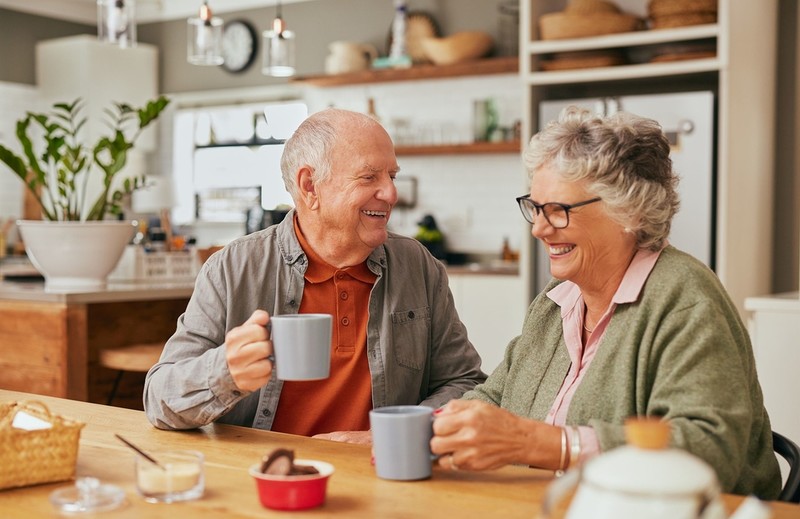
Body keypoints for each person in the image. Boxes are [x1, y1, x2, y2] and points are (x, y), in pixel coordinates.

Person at [430, 106, 781, 499]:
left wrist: (542, 443)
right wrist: (427, 429)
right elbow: (497, 397)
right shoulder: (555, 302)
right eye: (535, 208)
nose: (540, 229)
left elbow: (708, 449)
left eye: (559, 210)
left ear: (628, 211)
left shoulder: (686, 300)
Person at [144, 108, 486, 444]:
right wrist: (225, 372)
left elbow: (465, 383)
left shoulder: (417, 266)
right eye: (369, 177)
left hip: (380, 475)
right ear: (310, 186)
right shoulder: (233, 268)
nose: (391, 193)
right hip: (263, 477)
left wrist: (391, 435)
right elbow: (160, 400)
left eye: (391, 176)